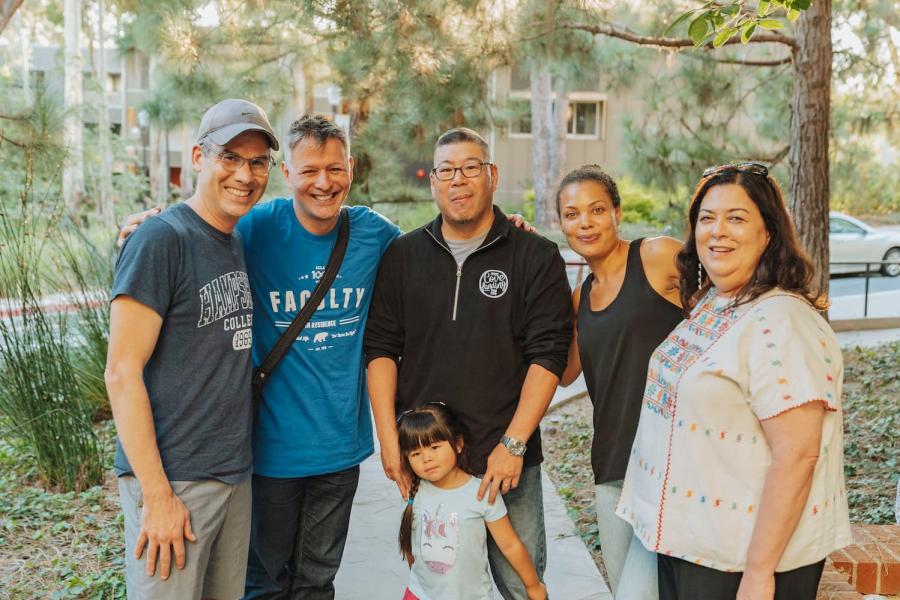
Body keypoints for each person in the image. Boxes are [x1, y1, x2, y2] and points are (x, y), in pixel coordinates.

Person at [616, 162, 852, 600]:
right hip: (691, 545)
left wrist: (760, 574)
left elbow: (797, 455)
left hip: (740, 562)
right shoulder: (719, 302)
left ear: (769, 234)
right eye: (707, 218)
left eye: (737, 218)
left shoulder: (783, 320)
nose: (717, 231)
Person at [364, 127, 573, 599]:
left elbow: (549, 353)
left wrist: (515, 443)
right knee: (442, 582)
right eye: (446, 170)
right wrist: (389, 440)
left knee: (523, 585)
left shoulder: (535, 255)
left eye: (470, 167)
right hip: (432, 459)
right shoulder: (402, 256)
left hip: (506, 458)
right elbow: (380, 347)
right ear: (433, 183)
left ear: (492, 175)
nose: (458, 179)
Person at [104, 98, 279, 598]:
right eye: (230, 158)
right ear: (199, 157)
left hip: (232, 476)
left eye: (257, 162)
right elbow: (120, 372)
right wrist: (156, 495)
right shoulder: (162, 238)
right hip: (175, 482)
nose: (244, 175)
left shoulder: (232, 238)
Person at [556, 165, 682, 600]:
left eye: (596, 210)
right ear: (562, 225)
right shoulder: (580, 298)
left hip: (670, 463)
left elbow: (727, 297)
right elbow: (565, 371)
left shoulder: (657, 255)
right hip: (611, 466)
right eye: (572, 214)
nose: (585, 222)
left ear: (617, 213)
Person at [396, 403, 547, 600]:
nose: (426, 458)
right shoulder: (416, 491)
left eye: (434, 447)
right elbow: (412, 546)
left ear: (458, 444)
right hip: (420, 594)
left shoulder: (481, 492)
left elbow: (510, 545)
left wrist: (533, 584)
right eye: (415, 453)